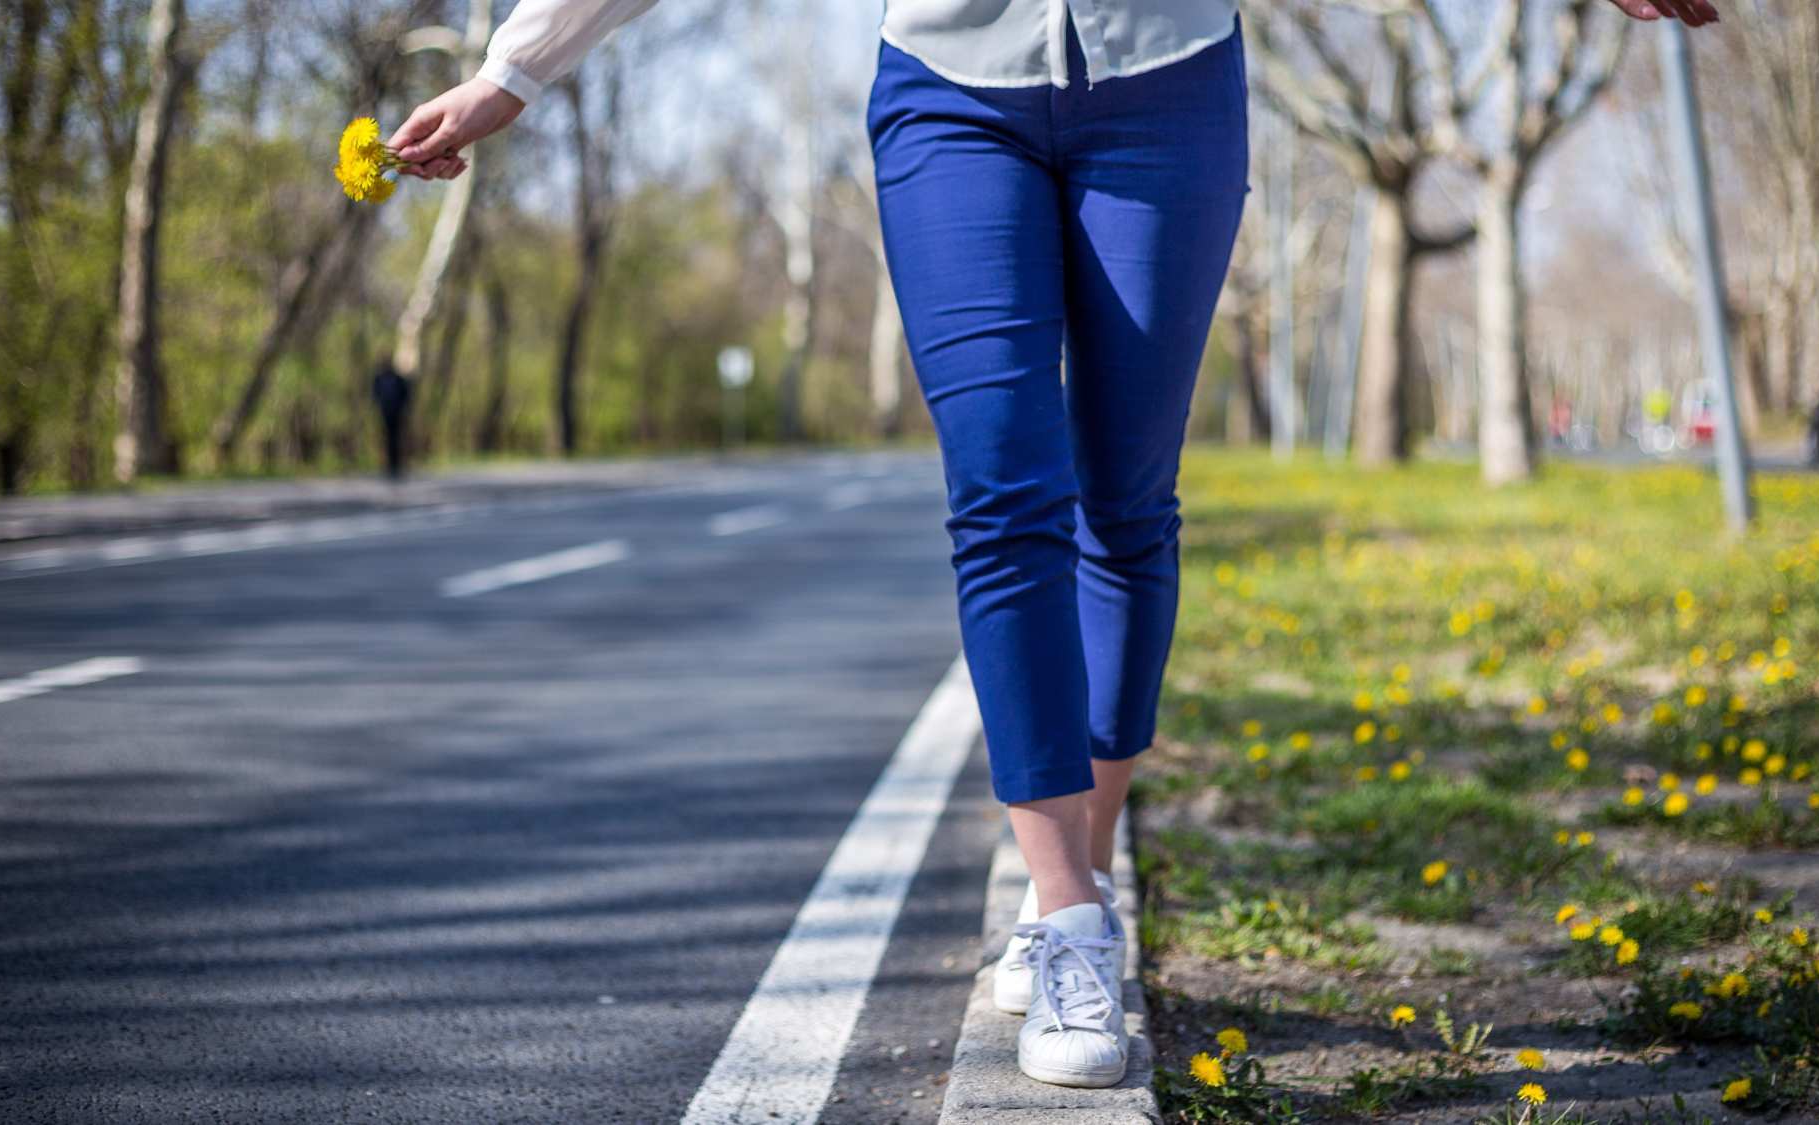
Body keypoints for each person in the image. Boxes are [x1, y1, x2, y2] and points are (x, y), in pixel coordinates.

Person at [387, 0, 1723, 1092]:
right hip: (951, 90)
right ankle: (1072, 904)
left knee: (1125, 498)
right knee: (1004, 489)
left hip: (1170, 77)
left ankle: (1072, 869)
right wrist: (517, 64)